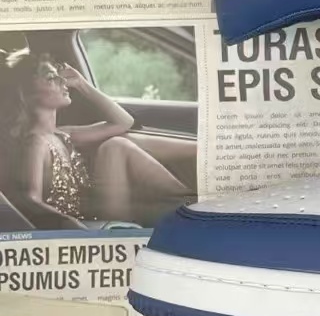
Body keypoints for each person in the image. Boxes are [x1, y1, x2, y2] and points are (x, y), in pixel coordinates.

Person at [0, 49, 192, 229]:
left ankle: (189, 200)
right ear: (25, 94)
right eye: (51, 77)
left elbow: (123, 122)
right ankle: (190, 202)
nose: (62, 80)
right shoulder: (36, 142)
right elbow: (29, 199)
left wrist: (81, 84)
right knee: (115, 147)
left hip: (95, 211)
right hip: (90, 223)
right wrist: (76, 228)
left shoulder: (63, 134)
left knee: (120, 142)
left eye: (59, 76)